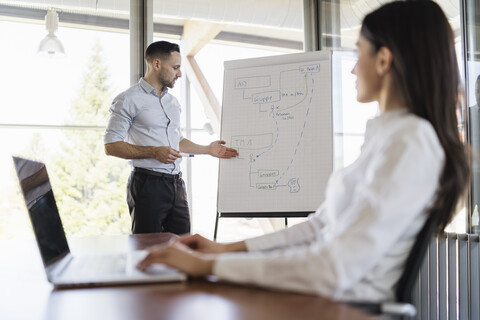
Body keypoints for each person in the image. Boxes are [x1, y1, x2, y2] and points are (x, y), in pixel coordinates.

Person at [137, 0, 471, 302]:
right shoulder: (389, 136)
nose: (353, 69)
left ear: (384, 60)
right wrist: (224, 250)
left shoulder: (410, 143)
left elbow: (333, 267)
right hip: (322, 298)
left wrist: (209, 265)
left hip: (341, 306)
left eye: (359, 53)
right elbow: (319, 226)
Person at [104, 41, 238, 235]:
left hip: (176, 185)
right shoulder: (128, 99)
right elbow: (111, 146)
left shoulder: (172, 103)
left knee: (184, 245)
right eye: (175, 68)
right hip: (147, 184)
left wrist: (207, 149)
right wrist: (153, 152)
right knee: (148, 249)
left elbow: (178, 140)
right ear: (157, 64)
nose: (180, 74)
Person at [469, 75, 480, 232]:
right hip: (472, 171)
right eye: (477, 91)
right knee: (471, 210)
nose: (478, 95)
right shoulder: (468, 113)